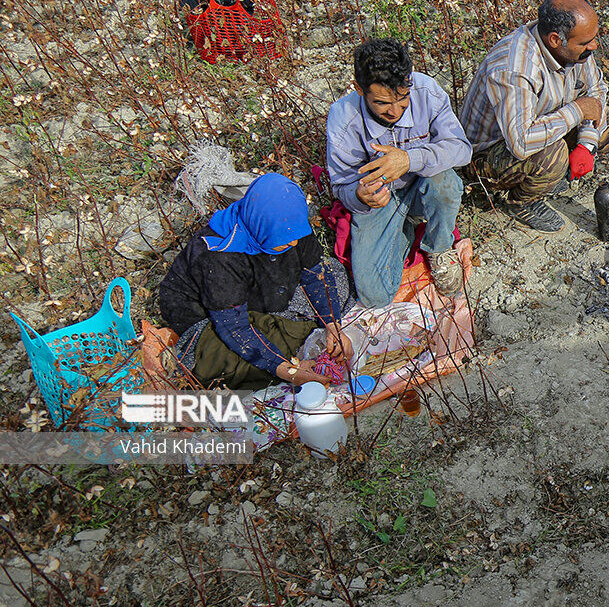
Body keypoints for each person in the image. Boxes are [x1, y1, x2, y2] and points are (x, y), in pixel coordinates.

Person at [157, 173, 352, 389]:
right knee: (232, 362)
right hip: (209, 312)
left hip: (259, 286)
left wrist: (332, 324)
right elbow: (234, 328)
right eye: (286, 240)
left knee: (333, 275)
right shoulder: (219, 255)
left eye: (296, 236)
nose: (295, 242)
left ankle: (281, 325)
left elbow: (316, 275)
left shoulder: (289, 223)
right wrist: (289, 371)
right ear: (261, 225)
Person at [459, 0, 609, 233]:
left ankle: (551, 178)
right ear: (555, 40)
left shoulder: (576, 47)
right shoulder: (514, 68)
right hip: (488, 156)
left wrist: (586, 144)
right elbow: (521, 142)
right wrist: (577, 111)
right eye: (585, 42)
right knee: (553, 153)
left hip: (544, 126)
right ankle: (520, 201)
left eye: (593, 38)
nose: (594, 46)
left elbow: (597, 91)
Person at [326, 38, 472, 304]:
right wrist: (359, 196)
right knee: (375, 297)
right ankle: (406, 226)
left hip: (423, 184)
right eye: (381, 103)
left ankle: (439, 249)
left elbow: (461, 150)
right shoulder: (343, 118)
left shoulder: (427, 91)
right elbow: (340, 186)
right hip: (378, 204)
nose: (394, 111)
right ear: (359, 89)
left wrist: (409, 160)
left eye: (403, 99)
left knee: (445, 183)